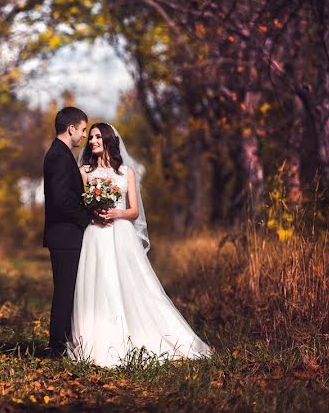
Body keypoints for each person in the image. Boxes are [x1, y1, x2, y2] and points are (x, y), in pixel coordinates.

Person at [69, 122, 212, 366]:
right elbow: (82, 205)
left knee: (133, 284)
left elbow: (134, 211)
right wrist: (95, 213)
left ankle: (143, 333)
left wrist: (116, 213)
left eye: (97, 137)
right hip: (95, 234)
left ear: (109, 141)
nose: (92, 141)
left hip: (121, 234)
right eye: (90, 137)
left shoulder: (126, 173)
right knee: (99, 282)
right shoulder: (84, 171)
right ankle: (97, 339)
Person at [42, 106, 91, 358]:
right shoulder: (59, 156)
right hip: (65, 236)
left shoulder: (59, 154)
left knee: (66, 289)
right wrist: (86, 219)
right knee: (64, 290)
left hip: (63, 235)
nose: (84, 135)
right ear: (71, 128)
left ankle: (60, 344)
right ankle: (56, 348)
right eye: (82, 130)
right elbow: (62, 201)